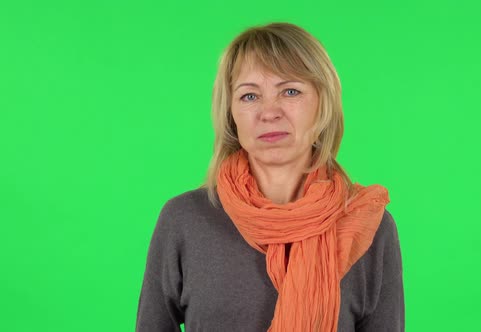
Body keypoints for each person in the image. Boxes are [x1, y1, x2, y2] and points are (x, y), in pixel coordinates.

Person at [136, 22, 404, 332]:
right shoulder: (184, 220)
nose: (269, 112)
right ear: (231, 114)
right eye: (249, 96)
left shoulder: (369, 227)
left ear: (323, 106)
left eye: (290, 91)